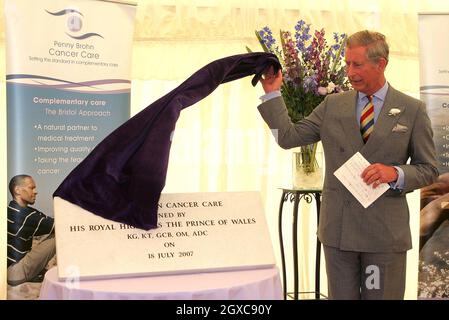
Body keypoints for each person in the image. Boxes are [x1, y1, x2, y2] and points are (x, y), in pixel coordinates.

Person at [258, 30, 438, 299]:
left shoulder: (412, 109)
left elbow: (428, 169)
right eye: (347, 63)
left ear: (381, 64)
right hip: (339, 234)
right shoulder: (332, 105)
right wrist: (272, 94)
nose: (349, 71)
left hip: (384, 236)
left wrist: (395, 173)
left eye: (357, 64)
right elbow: (288, 138)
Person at [7, 174, 56, 286]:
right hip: (16, 273)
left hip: (8, 270)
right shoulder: (26, 215)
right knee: (59, 235)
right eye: (31, 188)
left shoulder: (10, 210)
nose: (35, 192)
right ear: (17, 190)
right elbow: (58, 225)